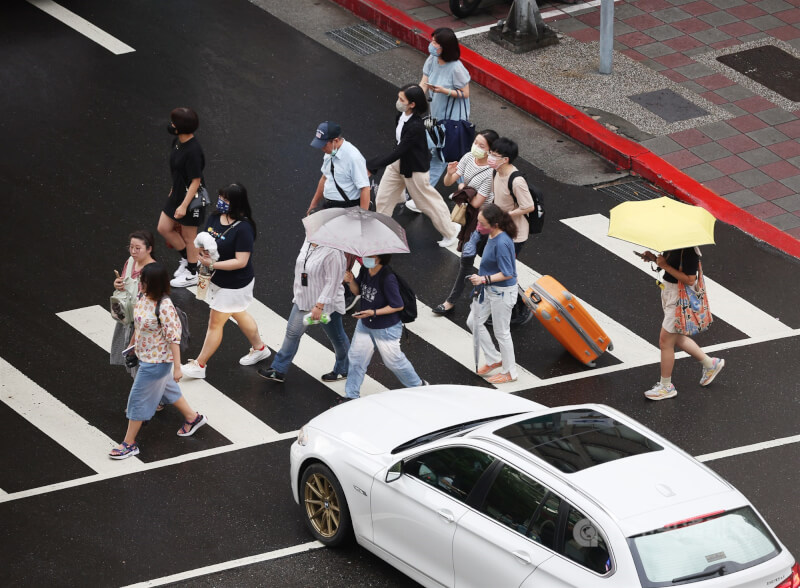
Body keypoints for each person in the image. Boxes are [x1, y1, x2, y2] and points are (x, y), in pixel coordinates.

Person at [109, 263, 207, 460]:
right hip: (144, 356)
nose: (140, 284)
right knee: (167, 388)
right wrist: (132, 346)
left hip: (157, 363)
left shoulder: (165, 306)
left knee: (137, 400)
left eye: (144, 282)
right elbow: (137, 323)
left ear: (154, 284)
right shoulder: (142, 296)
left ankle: (129, 444)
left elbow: (174, 339)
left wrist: (177, 368)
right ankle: (192, 418)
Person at [182, 183, 270, 379]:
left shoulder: (244, 228)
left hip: (235, 283)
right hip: (218, 279)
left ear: (237, 203)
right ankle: (260, 348)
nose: (221, 202)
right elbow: (206, 240)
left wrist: (212, 265)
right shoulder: (214, 217)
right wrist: (203, 253)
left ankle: (200, 364)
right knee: (238, 313)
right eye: (221, 197)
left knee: (215, 323)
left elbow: (241, 261)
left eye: (226, 199)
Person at [367, 84, 459, 248]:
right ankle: (381, 232)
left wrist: (372, 166)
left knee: (427, 203)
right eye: (399, 97)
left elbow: (400, 150)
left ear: (412, 104)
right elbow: (398, 146)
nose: (398, 101)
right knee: (383, 197)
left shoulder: (416, 126)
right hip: (398, 164)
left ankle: (450, 231)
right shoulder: (400, 116)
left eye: (402, 99)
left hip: (414, 169)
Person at [258, 239, 350, 383]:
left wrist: (320, 306)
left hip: (326, 305)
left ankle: (344, 369)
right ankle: (278, 370)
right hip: (304, 299)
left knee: (337, 337)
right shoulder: (308, 240)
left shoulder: (334, 251)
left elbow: (333, 282)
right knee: (292, 333)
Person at [639, 248, 725, 400]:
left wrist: (665, 265)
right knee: (676, 337)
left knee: (665, 341)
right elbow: (670, 267)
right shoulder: (673, 244)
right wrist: (654, 259)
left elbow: (690, 279)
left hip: (679, 298)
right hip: (669, 292)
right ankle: (710, 364)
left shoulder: (689, 251)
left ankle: (666, 386)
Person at [340, 254, 424, 402]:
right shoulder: (366, 269)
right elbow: (358, 291)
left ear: (381, 258)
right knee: (356, 359)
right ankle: (351, 395)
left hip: (386, 328)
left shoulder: (388, 278)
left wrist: (373, 312)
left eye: (371, 256)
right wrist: (350, 281)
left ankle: (419, 386)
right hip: (365, 323)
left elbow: (397, 305)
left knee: (393, 362)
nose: (366, 258)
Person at [432, 129, 498, 315]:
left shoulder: (490, 173)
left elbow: (477, 202)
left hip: (485, 223)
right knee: (468, 261)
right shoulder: (468, 157)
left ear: (491, 151)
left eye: (481, 145)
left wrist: (461, 186)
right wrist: (449, 173)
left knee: (487, 263)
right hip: (471, 220)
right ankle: (451, 300)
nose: (476, 147)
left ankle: (512, 298)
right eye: (476, 142)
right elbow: (448, 182)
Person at [468, 203, 519, 384]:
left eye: (482, 223)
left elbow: (508, 273)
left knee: (502, 333)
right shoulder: (492, 235)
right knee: (473, 321)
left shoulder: (502, 242)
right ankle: (494, 359)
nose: (478, 226)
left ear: (494, 224)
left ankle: (510, 372)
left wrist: (484, 280)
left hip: (501, 293)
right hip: (491, 291)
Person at [488, 137, 536, 326]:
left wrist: (507, 215)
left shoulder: (516, 181)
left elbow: (529, 206)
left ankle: (520, 307)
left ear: (505, 159)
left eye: (494, 155)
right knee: (499, 268)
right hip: (500, 230)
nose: (490, 157)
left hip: (515, 235)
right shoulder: (496, 172)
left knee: (504, 271)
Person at [418, 27, 471, 193]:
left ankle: (426, 195)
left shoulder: (456, 68)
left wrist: (444, 91)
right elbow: (424, 82)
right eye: (432, 40)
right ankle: (466, 192)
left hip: (452, 120)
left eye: (436, 43)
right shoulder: (432, 60)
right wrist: (414, 99)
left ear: (445, 47)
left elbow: (465, 93)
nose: (432, 45)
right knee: (448, 155)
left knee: (443, 154)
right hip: (436, 115)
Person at [157, 107, 206, 288]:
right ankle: (190, 260)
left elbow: (195, 180)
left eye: (173, 123)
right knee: (164, 227)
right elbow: (178, 172)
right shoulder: (177, 142)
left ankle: (193, 273)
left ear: (181, 127)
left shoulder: (193, 151)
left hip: (191, 200)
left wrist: (184, 206)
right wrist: (173, 188)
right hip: (178, 194)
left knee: (188, 237)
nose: (171, 125)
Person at [110, 231, 156, 378]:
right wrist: (118, 284)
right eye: (131, 247)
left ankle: (153, 398)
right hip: (129, 318)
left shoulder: (152, 271)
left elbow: (150, 308)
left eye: (138, 248)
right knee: (138, 370)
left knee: (142, 369)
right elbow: (125, 282)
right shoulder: (130, 261)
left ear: (149, 249)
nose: (133, 251)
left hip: (143, 325)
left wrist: (132, 342)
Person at [307, 121, 371, 213]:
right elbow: (325, 177)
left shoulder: (353, 157)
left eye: (324, 145)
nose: (322, 149)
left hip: (347, 209)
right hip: (328, 206)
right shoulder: (329, 152)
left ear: (335, 141)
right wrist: (313, 204)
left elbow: (365, 188)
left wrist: (363, 216)